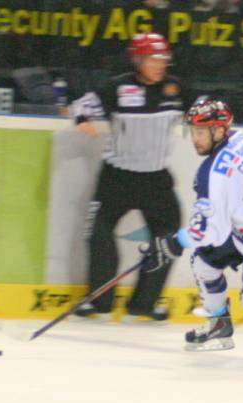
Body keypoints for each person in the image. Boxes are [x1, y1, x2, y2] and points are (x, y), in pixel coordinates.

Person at [143, 99, 243, 361]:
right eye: (193, 131)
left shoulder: (213, 173)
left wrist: (172, 243)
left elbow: (211, 232)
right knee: (204, 263)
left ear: (219, 130)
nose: (194, 139)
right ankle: (218, 323)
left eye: (200, 132)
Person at [71, 33, 188, 323]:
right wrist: (82, 119)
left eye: (163, 59)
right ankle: (100, 301)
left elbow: (204, 109)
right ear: (137, 60)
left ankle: (144, 304)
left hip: (156, 179)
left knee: (170, 236)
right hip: (117, 177)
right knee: (98, 231)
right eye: (152, 59)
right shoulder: (118, 87)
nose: (159, 65)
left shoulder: (176, 88)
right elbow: (82, 104)